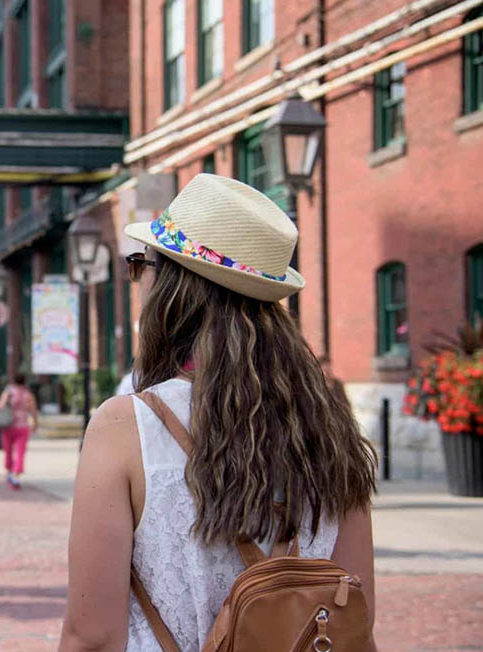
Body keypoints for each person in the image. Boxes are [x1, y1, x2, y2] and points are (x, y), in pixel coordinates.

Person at [59, 174, 378, 651]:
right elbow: (356, 615)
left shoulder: (128, 426)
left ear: (171, 284)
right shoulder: (329, 426)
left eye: (140, 264)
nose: (138, 279)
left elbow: (92, 635)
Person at [0, 373, 39, 490]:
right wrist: (35, 423)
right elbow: (33, 411)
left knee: (8, 451)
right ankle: (16, 474)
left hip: (8, 426)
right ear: (24, 382)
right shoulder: (28, 395)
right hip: (23, 427)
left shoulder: (8, 393)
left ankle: (9, 471)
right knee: (20, 452)